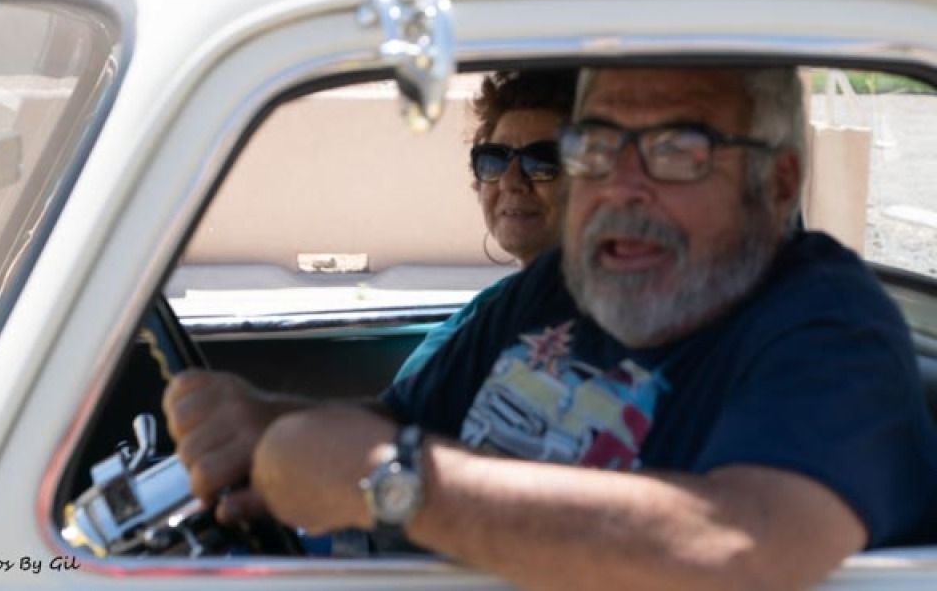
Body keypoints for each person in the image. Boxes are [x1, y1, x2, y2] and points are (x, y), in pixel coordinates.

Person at [164, 66, 937, 590]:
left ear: (777, 184)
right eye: (596, 147)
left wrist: (400, 484)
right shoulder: (556, 284)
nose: (619, 189)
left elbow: (740, 542)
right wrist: (264, 421)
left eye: (674, 150)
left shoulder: (827, 322)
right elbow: (398, 422)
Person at [395, 69, 576, 381]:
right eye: (495, 159)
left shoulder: (610, 321)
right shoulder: (493, 308)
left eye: (543, 163)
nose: (510, 182)